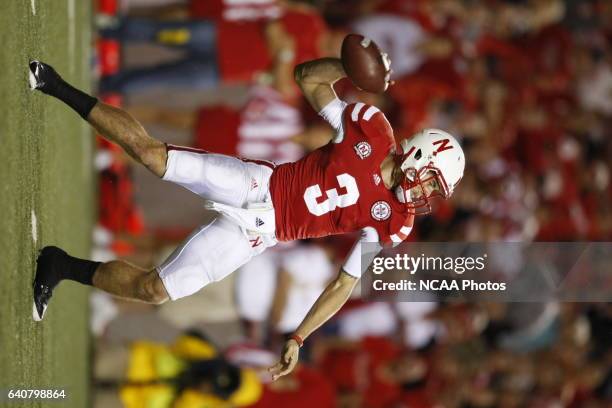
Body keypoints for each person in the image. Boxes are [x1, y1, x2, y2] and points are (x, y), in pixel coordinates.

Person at [29, 54, 465, 379]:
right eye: (431, 180)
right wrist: (344, 65)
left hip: (262, 232)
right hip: (257, 184)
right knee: (151, 155)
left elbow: (343, 285)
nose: (425, 193)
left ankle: (60, 265)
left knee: (155, 289)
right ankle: (55, 84)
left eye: (433, 191)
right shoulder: (373, 127)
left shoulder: (396, 220)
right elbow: (307, 80)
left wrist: (299, 336)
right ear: (420, 152)